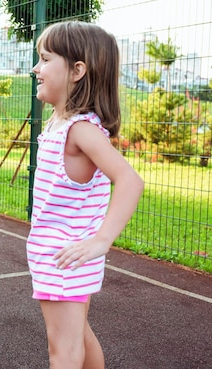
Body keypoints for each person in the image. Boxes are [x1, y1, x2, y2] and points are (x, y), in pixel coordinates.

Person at [28, 20, 144, 369]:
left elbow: (130, 181)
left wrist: (101, 240)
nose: (36, 67)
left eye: (46, 59)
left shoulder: (80, 129)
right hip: (61, 254)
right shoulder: (60, 122)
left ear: (77, 70)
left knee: (63, 350)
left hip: (65, 256)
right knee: (78, 337)